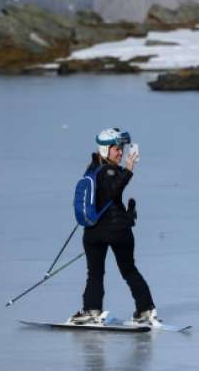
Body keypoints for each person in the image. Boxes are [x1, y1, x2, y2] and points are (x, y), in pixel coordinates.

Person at [69, 127, 158, 326]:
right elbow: (112, 189)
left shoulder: (93, 169)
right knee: (127, 270)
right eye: (116, 148)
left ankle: (92, 310)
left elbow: (109, 193)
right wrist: (128, 169)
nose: (120, 152)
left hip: (96, 232)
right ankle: (145, 310)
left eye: (122, 148)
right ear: (104, 150)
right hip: (114, 231)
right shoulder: (108, 171)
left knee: (97, 273)